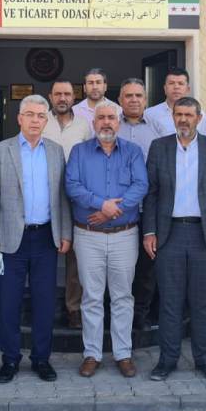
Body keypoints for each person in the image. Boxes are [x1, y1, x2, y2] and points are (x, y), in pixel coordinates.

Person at [0, 95, 72, 384]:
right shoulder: (1, 151)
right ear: (19, 118)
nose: (35, 120)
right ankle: (9, 359)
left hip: (46, 237)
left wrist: (66, 233)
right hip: (11, 240)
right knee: (9, 303)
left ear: (47, 120)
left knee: (45, 302)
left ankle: (41, 358)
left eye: (41, 115)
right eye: (30, 114)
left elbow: (62, 197)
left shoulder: (55, 151)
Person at [142, 97, 206, 382]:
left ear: (198, 118)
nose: (183, 119)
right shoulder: (159, 147)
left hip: (204, 235)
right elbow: (151, 193)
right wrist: (149, 231)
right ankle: (167, 360)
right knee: (170, 301)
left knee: (202, 302)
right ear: (173, 117)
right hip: (169, 234)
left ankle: (205, 360)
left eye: (189, 115)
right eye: (178, 114)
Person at [65, 100, 148, 378]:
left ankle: (123, 353)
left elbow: (141, 185)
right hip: (88, 235)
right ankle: (92, 353)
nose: (106, 122)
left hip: (125, 235)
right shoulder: (79, 152)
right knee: (91, 297)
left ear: (119, 122)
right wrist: (102, 205)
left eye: (111, 117)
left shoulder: (133, 152)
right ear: (93, 123)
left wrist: (113, 211)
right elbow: (72, 186)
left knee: (123, 296)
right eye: (101, 118)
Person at [42, 80, 92, 330]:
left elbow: (91, 158)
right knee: (43, 254)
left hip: (74, 198)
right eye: (58, 94)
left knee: (75, 256)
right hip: (43, 197)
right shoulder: (41, 121)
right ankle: (43, 306)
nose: (62, 98)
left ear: (74, 97)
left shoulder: (84, 125)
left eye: (67, 94)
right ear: (50, 97)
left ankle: (74, 308)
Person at [115, 78, 161, 330]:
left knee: (146, 267)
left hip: (148, 210)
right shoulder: (110, 126)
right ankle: (115, 317)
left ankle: (139, 318)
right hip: (117, 211)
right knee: (117, 267)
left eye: (138, 95)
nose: (133, 100)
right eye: (128, 95)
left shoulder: (158, 129)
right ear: (120, 100)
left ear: (146, 100)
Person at [144, 67, 206, 137]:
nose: (176, 87)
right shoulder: (149, 114)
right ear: (165, 89)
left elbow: (204, 142)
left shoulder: (199, 115)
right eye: (171, 83)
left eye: (180, 83)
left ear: (188, 89)